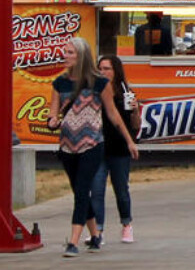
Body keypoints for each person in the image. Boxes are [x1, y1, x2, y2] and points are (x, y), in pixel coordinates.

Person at [45, 38, 131, 257]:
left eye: (70, 52)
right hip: (67, 145)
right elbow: (52, 112)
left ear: (81, 56)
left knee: (83, 189)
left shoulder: (99, 83)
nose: (65, 56)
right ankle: (95, 236)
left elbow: (112, 114)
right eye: (65, 52)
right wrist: (52, 121)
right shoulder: (59, 83)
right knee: (79, 190)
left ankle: (73, 241)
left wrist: (129, 140)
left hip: (92, 143)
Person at [91, 55, 141, 246]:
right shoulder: (95, 92)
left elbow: (135, 125)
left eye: (107, 69)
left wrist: (136, 110)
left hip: (119, 148)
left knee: (121, 189)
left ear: (116, 71)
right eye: (101, 69)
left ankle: (126, 224)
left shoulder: (125, 92)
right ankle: (98, 230)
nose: (103, 72)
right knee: (96, 189)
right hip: (98, 146)